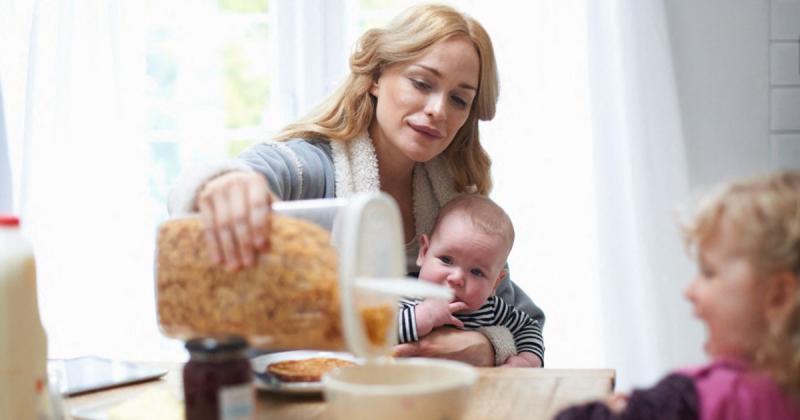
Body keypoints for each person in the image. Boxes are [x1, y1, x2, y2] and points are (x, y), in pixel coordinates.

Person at [168, 4, 544, 367]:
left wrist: (485, 346)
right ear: (377, 76)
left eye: (459, 99)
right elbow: (232, 174)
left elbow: (517, 316)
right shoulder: (312, 169)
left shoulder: (456, 203)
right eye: (421, 82)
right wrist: (224, 184)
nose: (438, 110)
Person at [556, 171, 800, 419]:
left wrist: (617, 412)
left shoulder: (691, 401)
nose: (690, 291)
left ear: (778, 295)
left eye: (709, 273)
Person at [396, 194, 544, 367]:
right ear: (424, 252)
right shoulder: (402, 294)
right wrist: (418, 318)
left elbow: (528, 327)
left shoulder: (491, 308)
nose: (457, 278)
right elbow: (368, 332)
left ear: (495, 284)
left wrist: (528, 360)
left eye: (476, 272)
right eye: (446, 260)